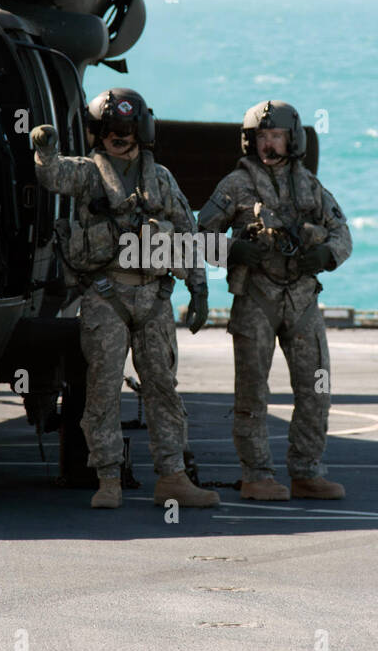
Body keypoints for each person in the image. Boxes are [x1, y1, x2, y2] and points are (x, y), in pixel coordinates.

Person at [31, 88, 219, 511]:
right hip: (106, 294)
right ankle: (108, 477)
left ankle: (172, 476)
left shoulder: (162, 179)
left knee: (163, 389)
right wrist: (45, 151)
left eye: (127, 129)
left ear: (142, 131)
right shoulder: (86, 173)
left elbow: (187, 233)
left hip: (153, 296)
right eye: (112, 128)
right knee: (103, 389)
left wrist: (199, 288)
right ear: (98, 132)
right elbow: (54, 175)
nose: (120, 136)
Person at [198, 99, 352, 501]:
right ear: (251, 141)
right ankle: (257, 475)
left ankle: (307, 471)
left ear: (292, 139)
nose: (269, 144)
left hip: (302, 299)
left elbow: (342, 234)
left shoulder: (311, 186)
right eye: (263, 136)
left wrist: (327, 255)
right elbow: (197, 238)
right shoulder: (235, 186)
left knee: (316, 388)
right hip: (255, 299)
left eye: (277, 136)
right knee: (252, 391)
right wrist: (232, 250)